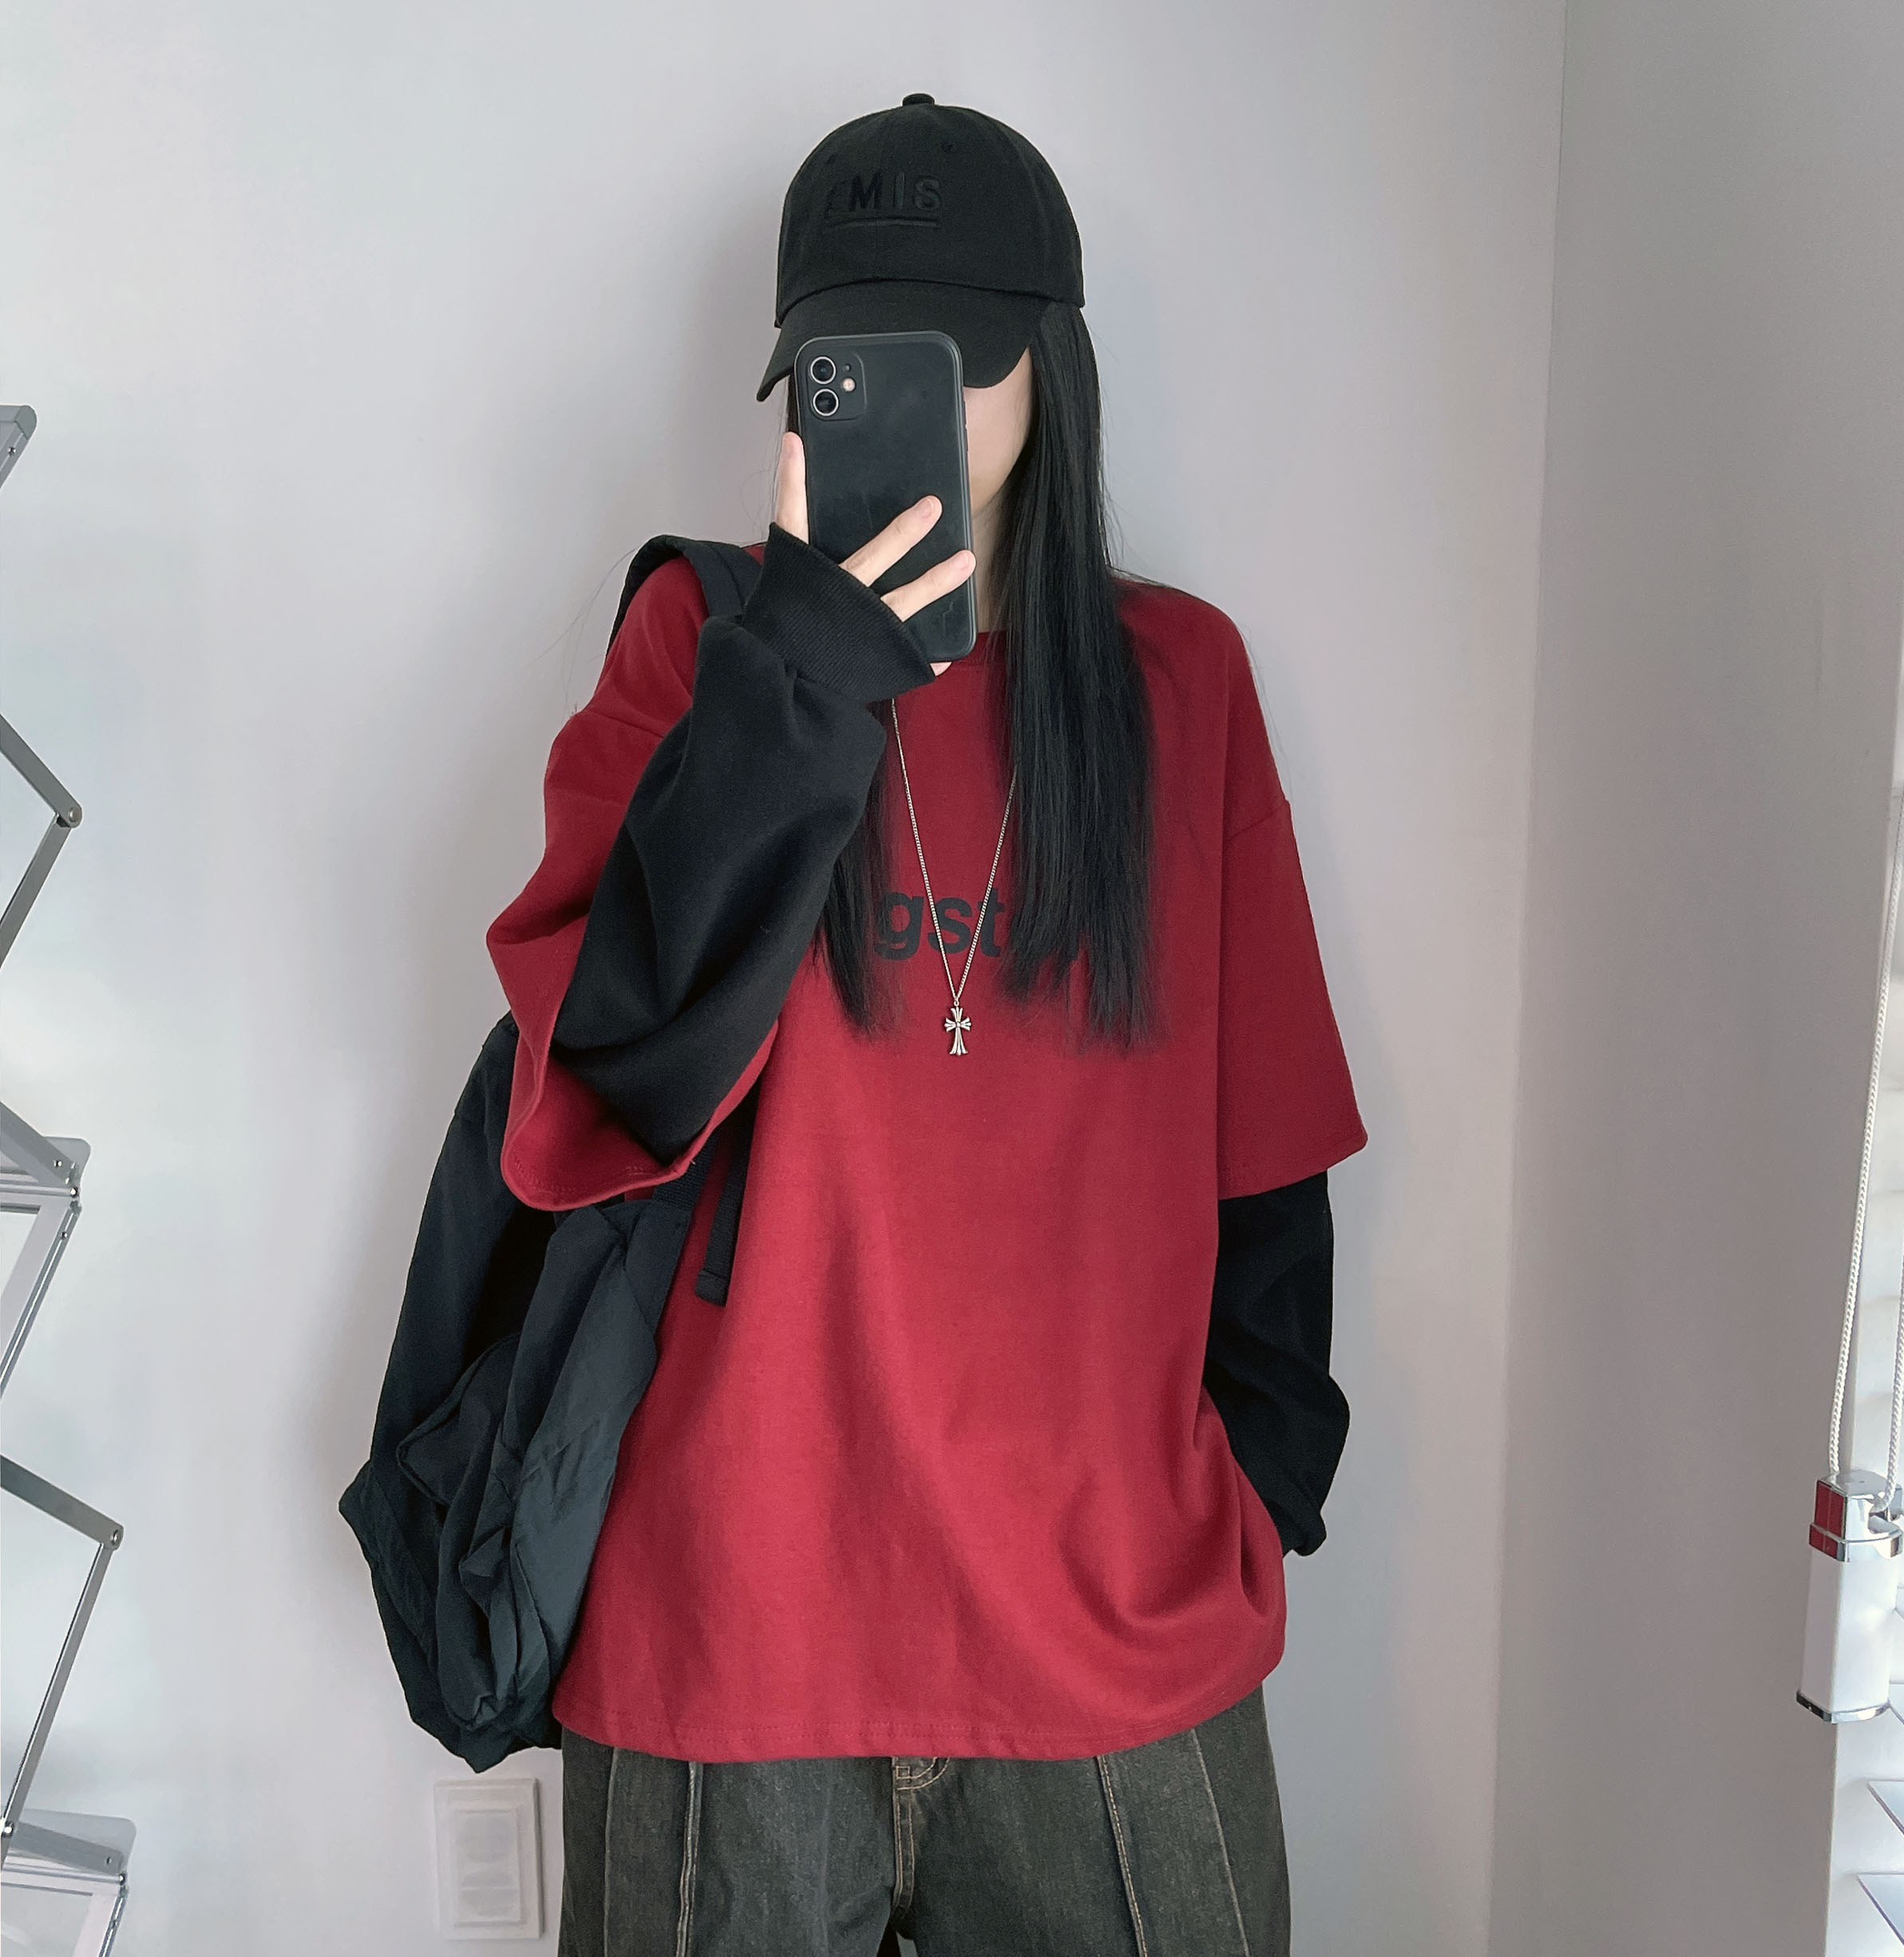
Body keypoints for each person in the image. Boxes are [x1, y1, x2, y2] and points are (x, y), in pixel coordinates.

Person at [486, 93, 1367, 1957]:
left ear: (1051, 365)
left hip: (1109, 1637)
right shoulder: (693, 651)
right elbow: (616, 1068)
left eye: (956, 360)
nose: (915, 412)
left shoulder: (1176, 685)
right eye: (850, 371)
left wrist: (1255, 1487)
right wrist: (801, 669)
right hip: (728, 1629)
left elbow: (1267, 1152)